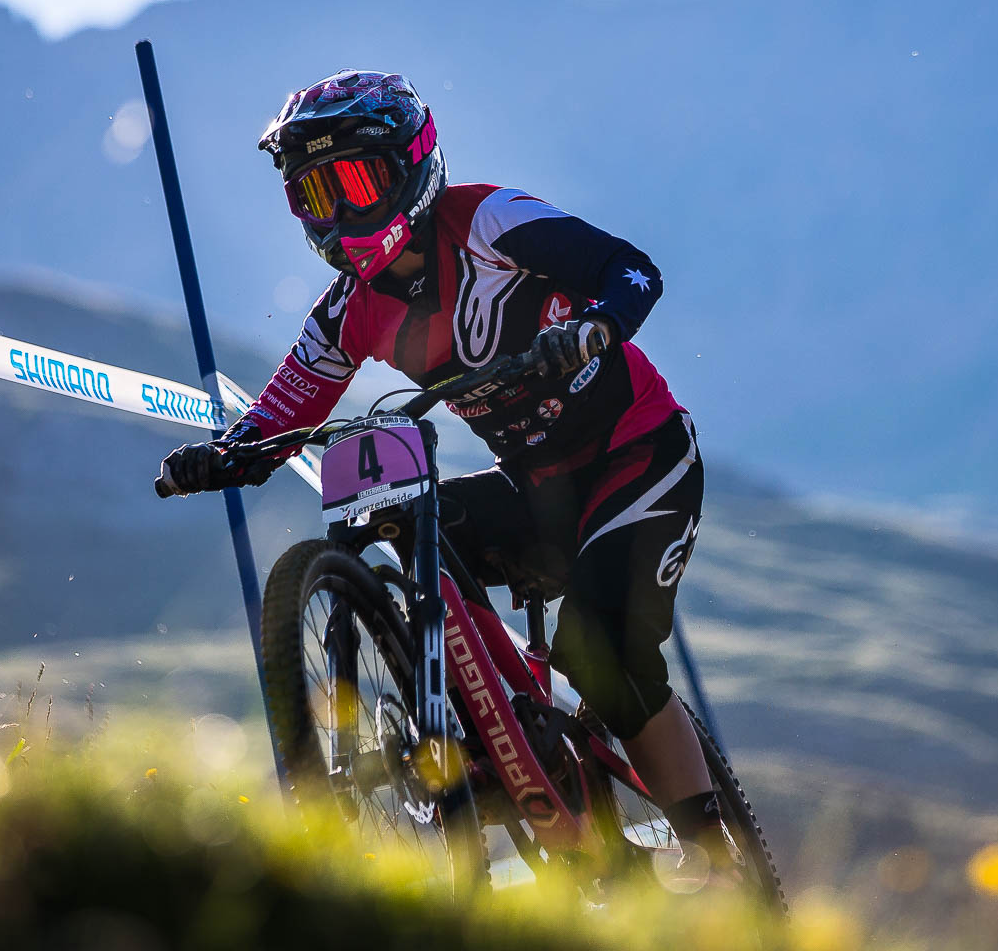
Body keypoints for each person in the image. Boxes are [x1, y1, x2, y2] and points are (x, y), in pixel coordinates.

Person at [157, 69, 728, 862]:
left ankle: (717, 861)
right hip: (536, 491)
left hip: (637, 460)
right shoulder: (346, 309)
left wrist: (596, 328)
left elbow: (631, 271)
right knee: (396, 523)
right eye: (316, 195)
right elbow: (280, 415)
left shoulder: (491, 221)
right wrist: (223, 456)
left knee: (601, 650)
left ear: (413, 166)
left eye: (356, 181)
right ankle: (499, 730)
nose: (342, 213)